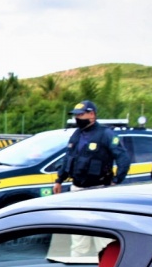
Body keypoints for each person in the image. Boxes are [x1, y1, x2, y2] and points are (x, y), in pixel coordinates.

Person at [53, 100, 130, 256]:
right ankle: (76, 265)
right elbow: (68, 159)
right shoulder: (76, 135)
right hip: (77, 189)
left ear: (92, 114)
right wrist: (59, 180)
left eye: (81, 115)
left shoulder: (105, 134)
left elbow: (123, 159)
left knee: (102, 235)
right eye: (76, 115)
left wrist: (116, 181)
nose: (77, 118)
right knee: (78, 233)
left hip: (98, 190)